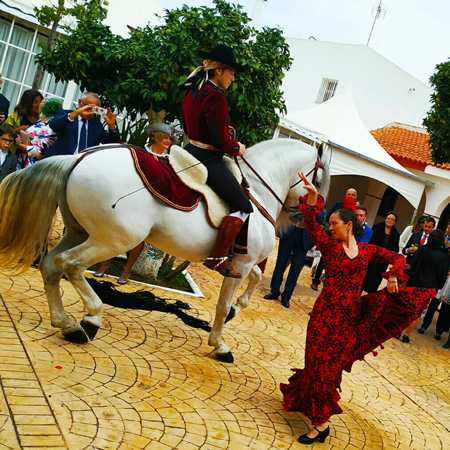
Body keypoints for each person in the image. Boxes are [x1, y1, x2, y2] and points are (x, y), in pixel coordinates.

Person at [280, 172, 435, 445]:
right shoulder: (329, 247)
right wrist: (314, 199)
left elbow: (397, 258)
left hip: (348, 320)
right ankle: (320, 422)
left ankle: (320, 421)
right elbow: (312, 227)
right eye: (330, 224)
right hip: (323, 316)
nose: (330, 228)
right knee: (317, 365)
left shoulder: (367, 252)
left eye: (335, 224)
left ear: (349, 226)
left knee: (328, 370)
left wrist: (393, 277)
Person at [181, 44, 253, 279]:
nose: (233, 78)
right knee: (243, 205)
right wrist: (237, 147)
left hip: (189, 150)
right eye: (231, 72)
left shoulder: (192, 90)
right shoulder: (215, 96)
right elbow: (218, 139)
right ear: (219, 70)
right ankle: (218, 257)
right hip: (208, 159)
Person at [94, 123, 173, 284]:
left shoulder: (169, 161)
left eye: (170, 139)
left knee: (139, 237)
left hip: (149, 204)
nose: (168, 141)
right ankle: (105, 263)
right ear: (156, 136)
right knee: (113, 230)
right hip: (129, 197)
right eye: (165, 137)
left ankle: (127, 270)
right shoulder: (140, 152)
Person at [264, 206, 325, 308]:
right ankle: (274, 291)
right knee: (280, 263)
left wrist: (311, 209)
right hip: (289, 232)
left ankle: (286, 296)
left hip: (304, 238)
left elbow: (321, 218)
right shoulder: (297, 195)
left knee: (296, 269)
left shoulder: (318, 201)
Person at [399, 230, 450, 343]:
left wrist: (410, 280)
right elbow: (442, 275)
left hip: (414, 283)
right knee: (418, 311)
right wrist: (439, 286)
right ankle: (406, 334)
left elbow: (413, 266)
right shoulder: (442, 257)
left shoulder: (421, 249)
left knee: (407, 307)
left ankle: (398, 331)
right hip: (429, 288)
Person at [310, 191, 361, 291]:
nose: (350, 196)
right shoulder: (338, 205)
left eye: (352, 195)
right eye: (348, 194)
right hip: (332, 236)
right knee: (324, 259)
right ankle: (316, 280)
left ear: (356, 197)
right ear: (345, 195)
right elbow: (328, 216)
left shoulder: (356, 210)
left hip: (344, 240)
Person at [45, 92, 119, 157]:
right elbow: (53, 126)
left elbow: (111, 144)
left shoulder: (96, 126)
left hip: (83, 165)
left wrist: (112, 126)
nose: (90, 112)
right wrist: (76, 113)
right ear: (80, 102)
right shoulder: (64, 114)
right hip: (60, 162)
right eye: (88, 108)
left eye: (94, 109)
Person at [14, 97, 62, 168]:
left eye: (42, 102)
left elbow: (39, 151)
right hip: (23, 160)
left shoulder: (50, 126)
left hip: (32, 166)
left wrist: (21, 146)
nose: (39, 104)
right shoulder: (40, 121)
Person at [362, 212, 400, 293]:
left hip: (383, 261)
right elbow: (370, 241)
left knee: (375, 280)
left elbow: (395, 249)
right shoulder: (377, 227)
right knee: (365, 278)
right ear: (385, 219)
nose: (389, 221)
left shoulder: (395, 234)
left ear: (395, 222)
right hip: (372, 258)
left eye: (392, 220)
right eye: (388, 218)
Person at [4, 89, 43, 154]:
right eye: (35, 102)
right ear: (28, 103)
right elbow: (4, 130)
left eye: (40, 101)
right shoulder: (18, 114)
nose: (39, 105)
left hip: (31, 154)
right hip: (12, 151)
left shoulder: (43, 119)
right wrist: (18, 130)